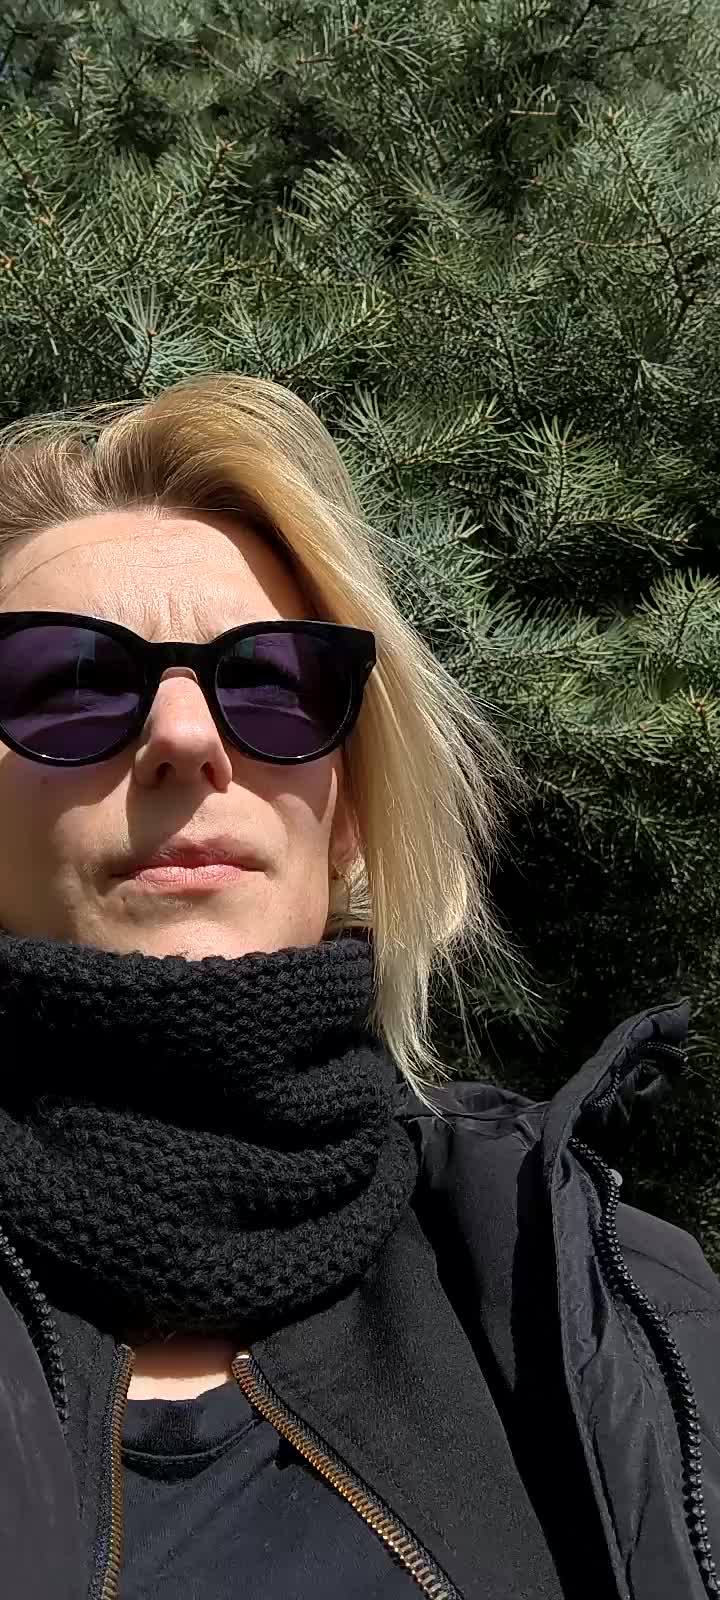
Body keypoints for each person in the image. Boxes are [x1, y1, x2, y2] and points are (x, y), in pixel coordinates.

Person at [0, 373, 716, 1600]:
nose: (186, 737)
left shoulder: (618, 1306)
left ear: (348, 813)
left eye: (275, 683)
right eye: (67, 685)